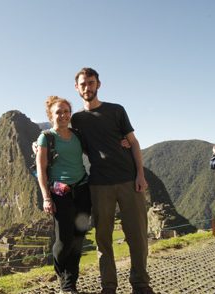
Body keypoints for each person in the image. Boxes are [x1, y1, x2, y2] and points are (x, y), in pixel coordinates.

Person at [70, 68, 153, 294]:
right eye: (83, 84)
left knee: (137, 235)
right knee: (103, 238)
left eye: (91, 82)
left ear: (99, 84)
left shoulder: (116, 111)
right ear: (76, 88)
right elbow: (65, 140)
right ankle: (108, 286)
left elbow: (133, 142)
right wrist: (38, 145)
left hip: (128, 180)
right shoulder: (77, 119)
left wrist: (140, 175)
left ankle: (140, 284)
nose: (87, 87)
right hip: (99, 184)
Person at [36, 96, 91, 294]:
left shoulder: (77, 135)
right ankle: (61, 271)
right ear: (51, 115)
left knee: (78, 238)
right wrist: (46, 197)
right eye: (58, 112)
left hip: (83, 190)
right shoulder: (46, 138)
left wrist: (122, 143)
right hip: (61, 193)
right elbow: (41, 170)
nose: (63, 115)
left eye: (66, 111)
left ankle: (69, 285)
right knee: (64, 240)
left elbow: (95, 149)